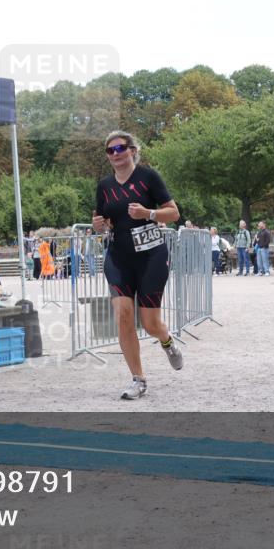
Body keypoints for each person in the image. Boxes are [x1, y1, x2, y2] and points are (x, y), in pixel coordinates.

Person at [92, 130, 183, 400]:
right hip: (119, 257)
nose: (116, 154)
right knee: (122, 315)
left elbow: (174, 213)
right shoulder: (105, 186)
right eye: (110, 151)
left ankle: (166, 341)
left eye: (120, 148)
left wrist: (148, 213)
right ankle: (138, 379)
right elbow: (102, 220)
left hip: (151, 256)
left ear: (133, 150)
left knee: (151, 323)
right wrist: (99, 225)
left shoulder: (148, 177)